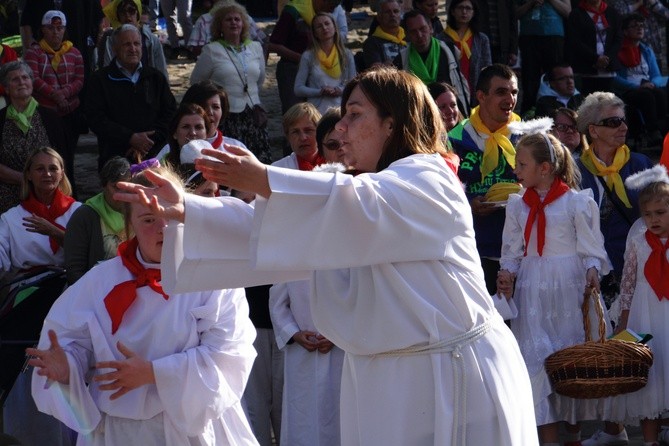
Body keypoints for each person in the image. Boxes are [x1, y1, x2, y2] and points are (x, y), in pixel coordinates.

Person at [116, 66, 539, 445]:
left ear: (392, 123)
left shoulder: (428, 178)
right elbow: (273, 232)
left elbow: (359, 203)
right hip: (384, 382)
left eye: (355, 115)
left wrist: (264, 177)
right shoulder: (350, 205)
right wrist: (189, 210)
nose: (340, 132)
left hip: (451, 377)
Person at [29, 164, 259, 446]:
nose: (162, 228)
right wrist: (67, 371)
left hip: (192, 428)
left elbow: (229, 353)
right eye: (149, 220)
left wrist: (154, 374)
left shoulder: (212, 277)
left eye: (169, 215)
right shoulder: (98, 282)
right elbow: (73, 344)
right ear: (131, 225)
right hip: (119, 432)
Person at [499, 129, 611, 446]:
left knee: (569, 363)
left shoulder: (576, 203)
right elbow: (512, 250)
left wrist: (592, 270)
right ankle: (547, 440)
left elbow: (592, 248)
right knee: (536, 364)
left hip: (569, 289)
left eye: (521, 165)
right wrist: (507, 274)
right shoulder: (517, 205)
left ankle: (573, 436)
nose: (516, 171)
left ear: (544, 168)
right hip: (533, 290)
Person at [576, 91, 654, 446]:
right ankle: (613, 428)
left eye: (624, 119)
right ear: (593, 130)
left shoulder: (638, 163)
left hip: (642, 272)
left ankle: (659, 418)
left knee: (654, 344)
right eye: (612, 121)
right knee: (609, 349)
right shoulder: (576, 170)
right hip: (600, 273)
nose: (623, 126)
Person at [1, 147, 80, 445]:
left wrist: (58, 233)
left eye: (53, 168)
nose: (47, 174)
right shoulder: (12, 218)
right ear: (29, 176)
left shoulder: (79, 212)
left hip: (68, 294)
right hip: (28, 295)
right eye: (40, 169)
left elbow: (96, 256)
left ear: (62, 174)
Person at [608, 165, 669, 445]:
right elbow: (629, 281)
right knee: (649, 378)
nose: (653, 220)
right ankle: (649, 440)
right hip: (645, 315)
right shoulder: (637, 238)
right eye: (647, 214)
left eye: (660, 213)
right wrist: (623, 318)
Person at [448, 63, 521, 294]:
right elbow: (444, 190)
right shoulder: (455, 138)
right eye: (501, 92)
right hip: (474, 253)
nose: (510, 98)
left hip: (521, 254)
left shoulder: (527, 136)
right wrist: (469, 204)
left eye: (514, 92)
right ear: (481, 96)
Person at [190, 1, 272, 164]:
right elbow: (196, 82)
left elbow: (260, 79)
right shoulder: (212, 50)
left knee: (258, 162)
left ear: (244, 24)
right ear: (220, 26)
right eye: (228, 20)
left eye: (237, 19)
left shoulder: (255, 47)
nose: (234, 23)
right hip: (228, 116)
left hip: (254, 115)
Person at [86, 24, 176, 171]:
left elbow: (170, 113)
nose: (132, 49)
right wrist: (130, 138)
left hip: (155, 157)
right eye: (126, 44)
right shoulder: (100, 80)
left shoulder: (155, 77)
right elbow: (95, 118)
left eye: (136, 44)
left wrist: (147, 142)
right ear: (115, 48)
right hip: (115, 158)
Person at [24, 10, 85, 194]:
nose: (55, 32)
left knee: (68, 156)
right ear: (43, 29)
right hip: (45, 114)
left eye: (59, 28)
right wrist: (56, 95)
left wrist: (64, 94)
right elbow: (33, 79)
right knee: (47, 156)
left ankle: (70, 191)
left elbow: (79, 79)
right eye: (51, 28)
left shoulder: (74, 52)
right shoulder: (33, 53)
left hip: (69, 112)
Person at [0, 60, 67, 214]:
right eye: (15, 79)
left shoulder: (51, 117)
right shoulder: (1, 120)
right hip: (8, 199)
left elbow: (64, 159)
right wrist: (24, 178)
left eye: (25, 78)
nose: (21, 82)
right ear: (7, 88)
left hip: (47, 195)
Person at [64, 157, 131, 285]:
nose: (122, 193)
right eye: (116, 187)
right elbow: (75, 271)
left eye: (127, 186)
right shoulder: (84, 216)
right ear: (103, 185)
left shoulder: (139, 213)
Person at [268, 0, 342, 114]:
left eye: (336, 7)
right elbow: (273, 45)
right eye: (332, 5)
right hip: (292, 71)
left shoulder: (321, 15)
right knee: (295, 113)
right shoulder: (293, 12)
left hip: (316, 72)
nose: (332, 10)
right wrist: (301, 59)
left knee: (316, 114)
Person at [395, 10, 471, 114]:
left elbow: (459, 85)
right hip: (422, 115)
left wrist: (465, 114)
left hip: (451, 116)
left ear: (430, 28)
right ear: (406, 34)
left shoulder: (449, 50)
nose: (419, 35)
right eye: (413, 31)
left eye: (423, 29)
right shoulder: (401, 60)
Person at [612, 13, 668, 145]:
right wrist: (637, 86)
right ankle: (652, 131)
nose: (640, 28)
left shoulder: (646, 50)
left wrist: (652, 83)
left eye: (642, 26)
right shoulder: (618, 51)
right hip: (629, 89)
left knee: (660, 92)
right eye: (635, 26)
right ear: (625, 31)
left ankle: (663, 130)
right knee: (645, 95)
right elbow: (615, 79)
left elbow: (656, 75)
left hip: (647, 86)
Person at [514, 0, 571, 113]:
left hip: (554, 37)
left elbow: (568, 12)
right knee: (530, 83)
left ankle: (557, 115)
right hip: (529, 37)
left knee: (555, 79)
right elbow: (514, 14)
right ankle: (528, 117)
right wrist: (531, 3)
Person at [294, 12, 356, 114]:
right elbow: (298, 89)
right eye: (319, 26)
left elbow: (353, 85)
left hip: (340, 109)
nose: (324, 28)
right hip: (316, 111)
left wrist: (339, 90)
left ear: (335, 28)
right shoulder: (308, 56)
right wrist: (320, 92)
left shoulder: (346, 54)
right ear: (315, 33)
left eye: (327, 23)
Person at [98, 0, 168, 80]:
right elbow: (105, 70)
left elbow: (162, 72)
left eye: (131, 11)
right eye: (123, 12)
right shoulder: (110, 40)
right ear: (118, 16)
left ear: (137, 13)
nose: (127, 16)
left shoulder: (152, 40)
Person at [566, 0, 623, 96]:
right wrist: (595, 58)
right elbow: (575, 41)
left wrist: (607, 58)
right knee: (588, 103)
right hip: (586, 68)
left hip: (607, 68)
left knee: (607, 103)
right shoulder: (576, 14)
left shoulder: (613, 13)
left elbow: (618, 39)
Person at [440, 0, 491, 104]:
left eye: (468, 8)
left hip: (476, 93)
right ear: (453, 11)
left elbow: (487, 68)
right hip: (450, 92)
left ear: (473, 12)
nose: (464, 12)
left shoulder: (481, 39)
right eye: (460, 8)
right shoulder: (441, 39)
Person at [360, 0, 406, 71]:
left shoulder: (409, 36)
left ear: (401, 16)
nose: (392, 15)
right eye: (387, 12)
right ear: (379, 17)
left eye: (396, 11)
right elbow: (377, 71)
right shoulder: (372, 42)